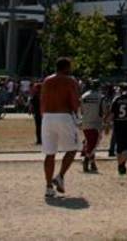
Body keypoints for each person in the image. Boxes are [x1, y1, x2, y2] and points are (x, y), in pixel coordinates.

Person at [39, 57, 81, 199]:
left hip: (47, 117)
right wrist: (77, 114)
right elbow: (74, 102)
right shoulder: (70, 81)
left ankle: (48, 187)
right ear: (66, 67)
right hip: (64, 115)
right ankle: (60, 175)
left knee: (49, 153)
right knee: (73, 148)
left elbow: (42, 100)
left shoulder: (47, 80)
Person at [107, 84, 127, 175]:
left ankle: (120, 165)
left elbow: (112, 113)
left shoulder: (116, 99)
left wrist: (107, 124)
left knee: (119, 147)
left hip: (118, 125)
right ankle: (122, 164)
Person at [79, 82, 105, 173]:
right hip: (96, 123)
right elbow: (103, 111)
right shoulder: (100, 97)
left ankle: (92, 163)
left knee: (89, 142)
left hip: (85, 122)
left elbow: (82, 111)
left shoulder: (83, 96)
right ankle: (86, 159)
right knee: (93, 144)